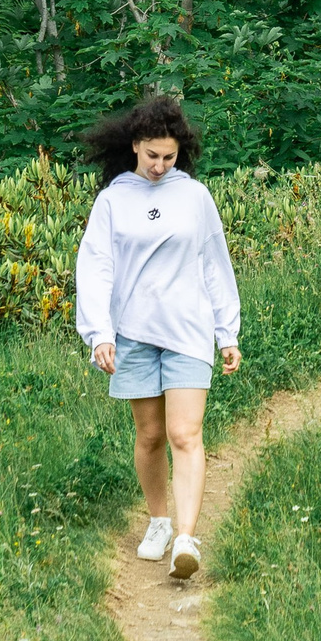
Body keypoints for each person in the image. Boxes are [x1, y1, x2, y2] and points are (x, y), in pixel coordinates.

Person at [74, 96, 241, 581]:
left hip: (188, 330)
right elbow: (96, 266)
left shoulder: (195, 196)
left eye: (169, 157)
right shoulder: (113, 200)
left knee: (184, 433)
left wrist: (226, 332)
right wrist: (99, 333)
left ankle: (186, 538)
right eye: (152, 155)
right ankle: (159, 522)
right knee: (149, 435)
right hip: (132, 334)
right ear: (135, 146)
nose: (160, 165)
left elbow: (215, 263)